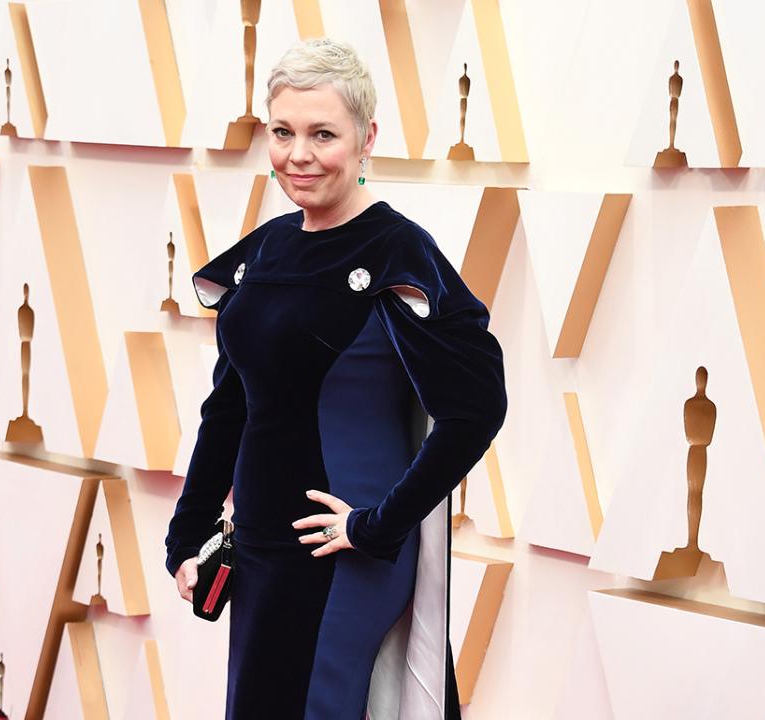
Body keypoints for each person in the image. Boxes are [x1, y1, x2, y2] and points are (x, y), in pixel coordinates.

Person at [164, 37, 508, 720]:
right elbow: (230, 405)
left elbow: (477, 407)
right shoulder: (268, 248)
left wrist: (380, 526)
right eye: (283, 131)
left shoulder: (397, 251)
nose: (299, 154)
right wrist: (191, 531)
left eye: (323, 134)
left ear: (366, 137)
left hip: (341, 551)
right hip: (258, 544)